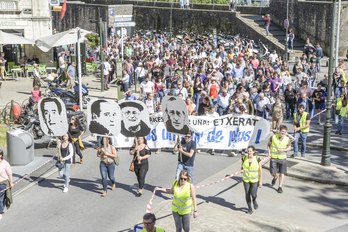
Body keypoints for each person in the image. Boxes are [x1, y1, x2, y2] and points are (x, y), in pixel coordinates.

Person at [267, 125, 291, 194]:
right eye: (282, 131)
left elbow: (289, 148)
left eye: (285, 132)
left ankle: (280, 187)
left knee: (282, 173)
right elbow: (268, 145)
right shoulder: (273, 136)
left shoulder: (287, 139)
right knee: (272, 172)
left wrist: (284, 150)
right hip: (273, 157)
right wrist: (269, 154)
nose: (283, 133)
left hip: (282, 158)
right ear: (279, 131)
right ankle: (275, 177)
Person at [241, 145, 262, 214]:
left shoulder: (257, 159)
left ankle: (254, 200)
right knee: (247, 194)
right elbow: (242, 168)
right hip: (246, 179)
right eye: (248, 151)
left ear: (253, 152)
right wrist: (241, 170)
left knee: (253, 194)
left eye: (250, 151)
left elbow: (260, 171)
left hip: (255, 180)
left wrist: (260, 181)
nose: (249, 152)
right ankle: (250, 209)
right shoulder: (244, 158)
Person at [0, 149, 14, 220]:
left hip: (3, 184)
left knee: (0, 199)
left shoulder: (5, 163)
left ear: (1, 155)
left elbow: (9, 173)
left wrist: (11, 182)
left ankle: (0, 213)